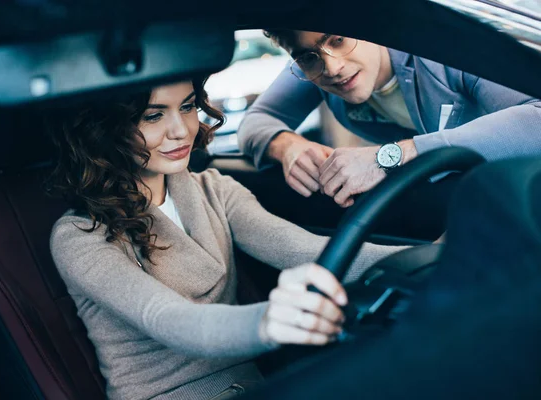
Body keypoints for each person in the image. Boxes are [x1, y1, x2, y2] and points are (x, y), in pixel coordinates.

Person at [47, 79, 404, 400]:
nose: (181, 131)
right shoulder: (80, 236)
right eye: (153, 116)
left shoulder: (215, 190)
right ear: (103, 130)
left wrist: (442, 255)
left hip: (254, 382)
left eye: (187, 107)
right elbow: (171, 320)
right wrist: (268, 320)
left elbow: (306, 251)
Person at [237, 30, 541, 207]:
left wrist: (392, 156)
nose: (331, 67)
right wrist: (287, 146)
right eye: (306, 56)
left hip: (519, 199)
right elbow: (256, 121)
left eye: (339, 39)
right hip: (446, 204)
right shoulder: (313, 68)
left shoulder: (446, 51)